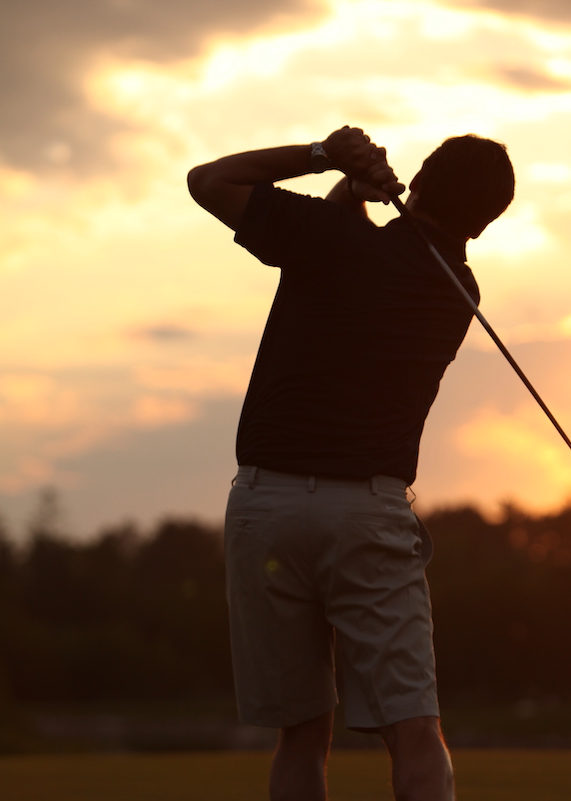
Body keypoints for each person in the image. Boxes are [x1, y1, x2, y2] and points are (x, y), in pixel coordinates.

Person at [188, 126, 514, 801]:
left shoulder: (329, 239)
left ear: (416, 181)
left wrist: (324, 159)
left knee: (303, 731)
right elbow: (363, 257)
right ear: (482, 225)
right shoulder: (460, 289)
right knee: (415, 730)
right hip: (367, 513)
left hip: (266, 505)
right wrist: (352, 191)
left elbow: (209, 180)